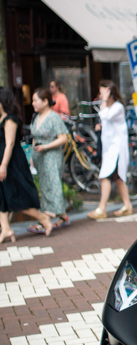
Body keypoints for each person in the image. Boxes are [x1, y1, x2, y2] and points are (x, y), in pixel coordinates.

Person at [0, 88, 52, 242]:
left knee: (18, 198)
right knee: (1, 197)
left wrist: (3, 165)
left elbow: (9, 144)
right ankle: (6, 229)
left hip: (12, 163)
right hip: (3, 162)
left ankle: (43, 218)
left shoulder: (10, 120)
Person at [27, 88, 70, 233]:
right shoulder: (35, 116)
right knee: (45, 186)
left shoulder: (54, 117)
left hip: (52, 156)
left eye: (35, 100)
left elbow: (63, 138)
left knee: (53, 185)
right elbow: (34, 138)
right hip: (39, 156)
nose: (32, 103)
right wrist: (33, 155)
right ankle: (63, 217)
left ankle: (44, 219)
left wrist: (45, 146)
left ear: (45, 101)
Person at [87, 80, 132, 219]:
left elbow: (105, 115)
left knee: (105, 176)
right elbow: (105, 119)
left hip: (116, 148)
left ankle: (102, 209)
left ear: (109, 92)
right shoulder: (106, 106)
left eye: (102, 92)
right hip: (109, 148)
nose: (100, 96)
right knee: (117, 177)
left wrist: (105, 101)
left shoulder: (118, 107)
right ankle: (127, 205)